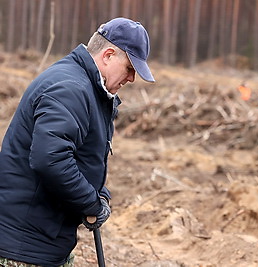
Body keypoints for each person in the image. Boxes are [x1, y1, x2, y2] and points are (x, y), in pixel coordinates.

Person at [0, 17, 155, 266]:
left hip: (42, 240)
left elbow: (79, 156)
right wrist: (90, 203)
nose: (131, 79)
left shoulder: (87, 88)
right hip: (24, 247)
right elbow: (50, 159)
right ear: (108, 55)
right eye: (129, 68)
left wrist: (99, 194)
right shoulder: (69, 88)